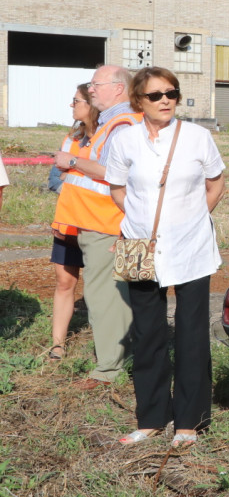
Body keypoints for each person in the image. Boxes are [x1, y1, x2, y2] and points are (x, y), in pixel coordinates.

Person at [105, 67, 225, 447]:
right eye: (156, 95)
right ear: (138, 101)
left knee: (191, 332)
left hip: (192, 246)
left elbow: (216, 182)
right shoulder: (124, 140)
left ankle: (189, 422)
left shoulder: (197, 136)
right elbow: (117, 188)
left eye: (171, 93)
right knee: (148, 331)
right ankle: (152, 417)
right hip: (141, 246)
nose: (166, 101)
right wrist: (142, 224)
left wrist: (193, 219)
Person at [51, 64, 141, 390]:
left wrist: (71, 162)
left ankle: (107, 371)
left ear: (118, 88)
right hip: (108, 220)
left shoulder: (122, 124)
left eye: (96, 84)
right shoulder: (116, 123)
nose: (91, 89)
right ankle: (125, 362)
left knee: (105, 297)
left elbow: (112, 172)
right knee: (122, 296)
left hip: (106, 223)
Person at [47, 83, 98, 361]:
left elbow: (110, 176)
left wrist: (75, 172)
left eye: (76, 100)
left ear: (91, 104)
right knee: (64, 283)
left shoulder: (107, 138)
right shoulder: (70, 139)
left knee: (100, 286)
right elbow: (55, 178)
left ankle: (106, 348)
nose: (72, 105)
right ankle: (57, 345)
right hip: (67, 222)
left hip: (98, 223)